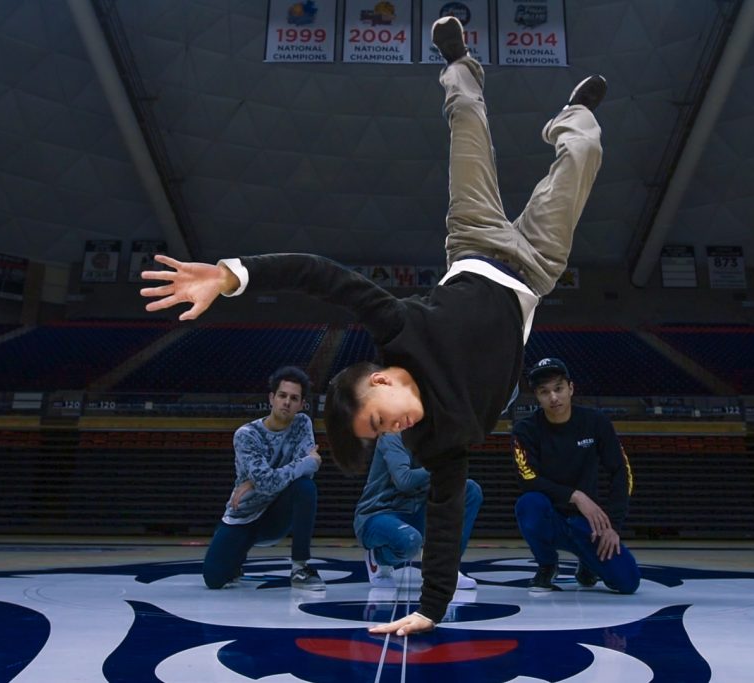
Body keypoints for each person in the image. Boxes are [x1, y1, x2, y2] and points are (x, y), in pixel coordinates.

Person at [141, 16, 606, 634]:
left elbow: (319, 275)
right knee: (585, 151)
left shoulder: (397, 330)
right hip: (537, 269)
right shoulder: (441, 441)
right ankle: (573, 114)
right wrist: (430, 608)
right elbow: (442, 520)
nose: (396, 426)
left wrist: (230, 275)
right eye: (384, 431)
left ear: (382, 381)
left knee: (466, 119)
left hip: (473, 238)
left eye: (381, 415)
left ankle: (458, 63)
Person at [512, 357, 640, 594]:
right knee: (529, 504)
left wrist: (612, 525)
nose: (553, 398)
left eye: (558, 389)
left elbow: (621, 471)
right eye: (544, 392)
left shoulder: (596, 422)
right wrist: (575, 496)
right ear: (537, 396)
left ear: (571, 388)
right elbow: (528, 479)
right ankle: (547, 565)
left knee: (628, 582)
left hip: (587, 522)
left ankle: (588, 563)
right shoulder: (525, 429)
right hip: (550, 516)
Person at [201, 366, 325, 591]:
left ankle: (300, 568)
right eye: (282, 396)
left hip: (275, 515)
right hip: (245, 514)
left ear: (301, 404)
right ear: (272, 398)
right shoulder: (246, 435)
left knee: (305, 487)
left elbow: (307, 473)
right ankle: (236, 557)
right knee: (214, 579)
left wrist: (257, 481)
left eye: (294, 398)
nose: (287, 402)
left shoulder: (302, 423)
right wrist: (303, 462)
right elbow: (300, 467)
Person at [356, 433, 482, 590]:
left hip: (417, 510)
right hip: (380, 513)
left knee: (469, 489)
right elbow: (404, 480)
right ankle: (377, 558)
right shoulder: (392, 436)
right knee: (410, 540)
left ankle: (446, 568)